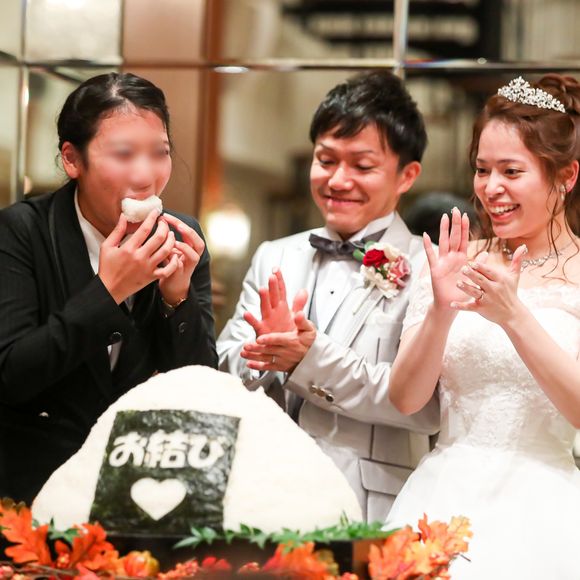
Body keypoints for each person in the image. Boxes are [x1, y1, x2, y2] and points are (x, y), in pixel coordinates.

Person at [217, 71, 440, 522]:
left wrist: (308, 360)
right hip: (264, 493)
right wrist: (263, 353)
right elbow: (225, 365)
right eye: (326, 160)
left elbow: (427, 408)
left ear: (407, 175)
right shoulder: (274, 255)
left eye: (362, 166)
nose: (338, 180)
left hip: (370, 506)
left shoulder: (430, 269)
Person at [387, 74, 580, 578]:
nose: (491, 188)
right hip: (441, 495)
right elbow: (405, 399)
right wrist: (440, 310)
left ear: (565, 176)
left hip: (544, 510)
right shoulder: (454, 260)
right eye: (482, 169)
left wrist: (514, 316)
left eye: (511, 171)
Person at [0, 73, 218, 504]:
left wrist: (177, 299)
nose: (145, 175)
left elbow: (200, 385)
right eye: (123, 154)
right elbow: (11, 375)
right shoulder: (21, 231)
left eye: (160, 153)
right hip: (31, 486)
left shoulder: (181, 234)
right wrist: (107, 292)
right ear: (72, 159)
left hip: (138, 486)